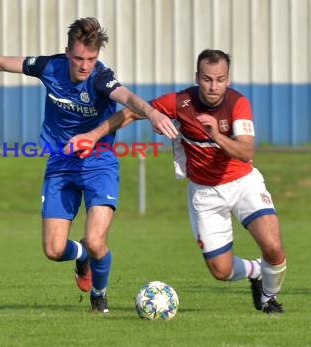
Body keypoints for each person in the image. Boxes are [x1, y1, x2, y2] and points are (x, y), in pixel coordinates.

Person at [0, 17, 178, 313]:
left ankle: (99, 295)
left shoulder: (100, 78)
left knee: (98, 241)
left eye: (91, 59)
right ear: (66, 52)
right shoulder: (50, 67)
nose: (84, 65)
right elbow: (0, 63)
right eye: (78, 58)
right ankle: (81, 255)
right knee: (54, 250)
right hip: (61, 164)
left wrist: (151, 113)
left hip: (99, 164)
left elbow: (128, 98)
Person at [67, 49, 287, 314]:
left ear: (228, 79)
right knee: (221, 270)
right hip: (204, 194)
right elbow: (132, 113)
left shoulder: (238, 104)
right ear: (197, 77)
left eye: (219, 79)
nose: (213, 86)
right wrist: (93, 134)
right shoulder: (181, 102)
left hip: (243, 183)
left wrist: (215, 134)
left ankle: (269, 299)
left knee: (273, 247)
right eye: (207, 79)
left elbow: (246, 152)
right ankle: (255, 271)